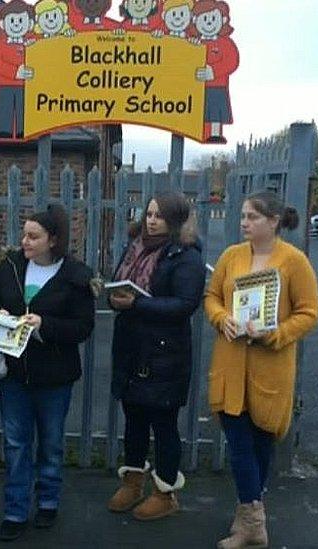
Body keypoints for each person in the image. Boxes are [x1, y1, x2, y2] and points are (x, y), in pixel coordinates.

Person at [204, 191, 318, 548]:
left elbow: (309, 312)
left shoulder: (294, 261)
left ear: (273, 222)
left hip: (270, 366)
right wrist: (222, 319)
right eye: (243, 216)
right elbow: (212, 297)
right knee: (238, 442)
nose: (244, 223)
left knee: (261, 443)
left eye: (252, 217)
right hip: (231, 363)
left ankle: (250, 518)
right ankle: (254, 521)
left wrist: (276, 334)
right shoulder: (231, 256)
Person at [0, 204, 96, 541]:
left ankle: (48, 502)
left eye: (34, 236)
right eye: (24, 235)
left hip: (55, 375)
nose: (25, 242)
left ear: (54, 240)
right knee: (16, 443)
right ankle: (15, 510)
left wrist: (45, 325)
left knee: (50, 443)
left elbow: (83, 326)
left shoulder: (75, 275)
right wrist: (0, 313)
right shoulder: (11, 267)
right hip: (14, 373)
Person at [106, 191, 206, 521]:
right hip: (132, 348)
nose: (151, 220)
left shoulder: (185, 255)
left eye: (159, 215)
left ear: (175, 220)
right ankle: (132, 482)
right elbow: (120, 281)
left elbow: (185, 305)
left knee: (163, 425)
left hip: (165, 354)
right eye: (148, 213)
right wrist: (115, 295)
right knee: (133, 420)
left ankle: (165, 493)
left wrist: (137, 303)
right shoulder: (135, 245)